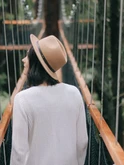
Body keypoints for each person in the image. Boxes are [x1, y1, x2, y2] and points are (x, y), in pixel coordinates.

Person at [10, 34, 88, 165]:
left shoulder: (22, 99)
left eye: (28, 56)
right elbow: (82, 142)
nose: (24, 60)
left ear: (35, 62)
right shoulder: (74, 93)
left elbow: (19, 151)